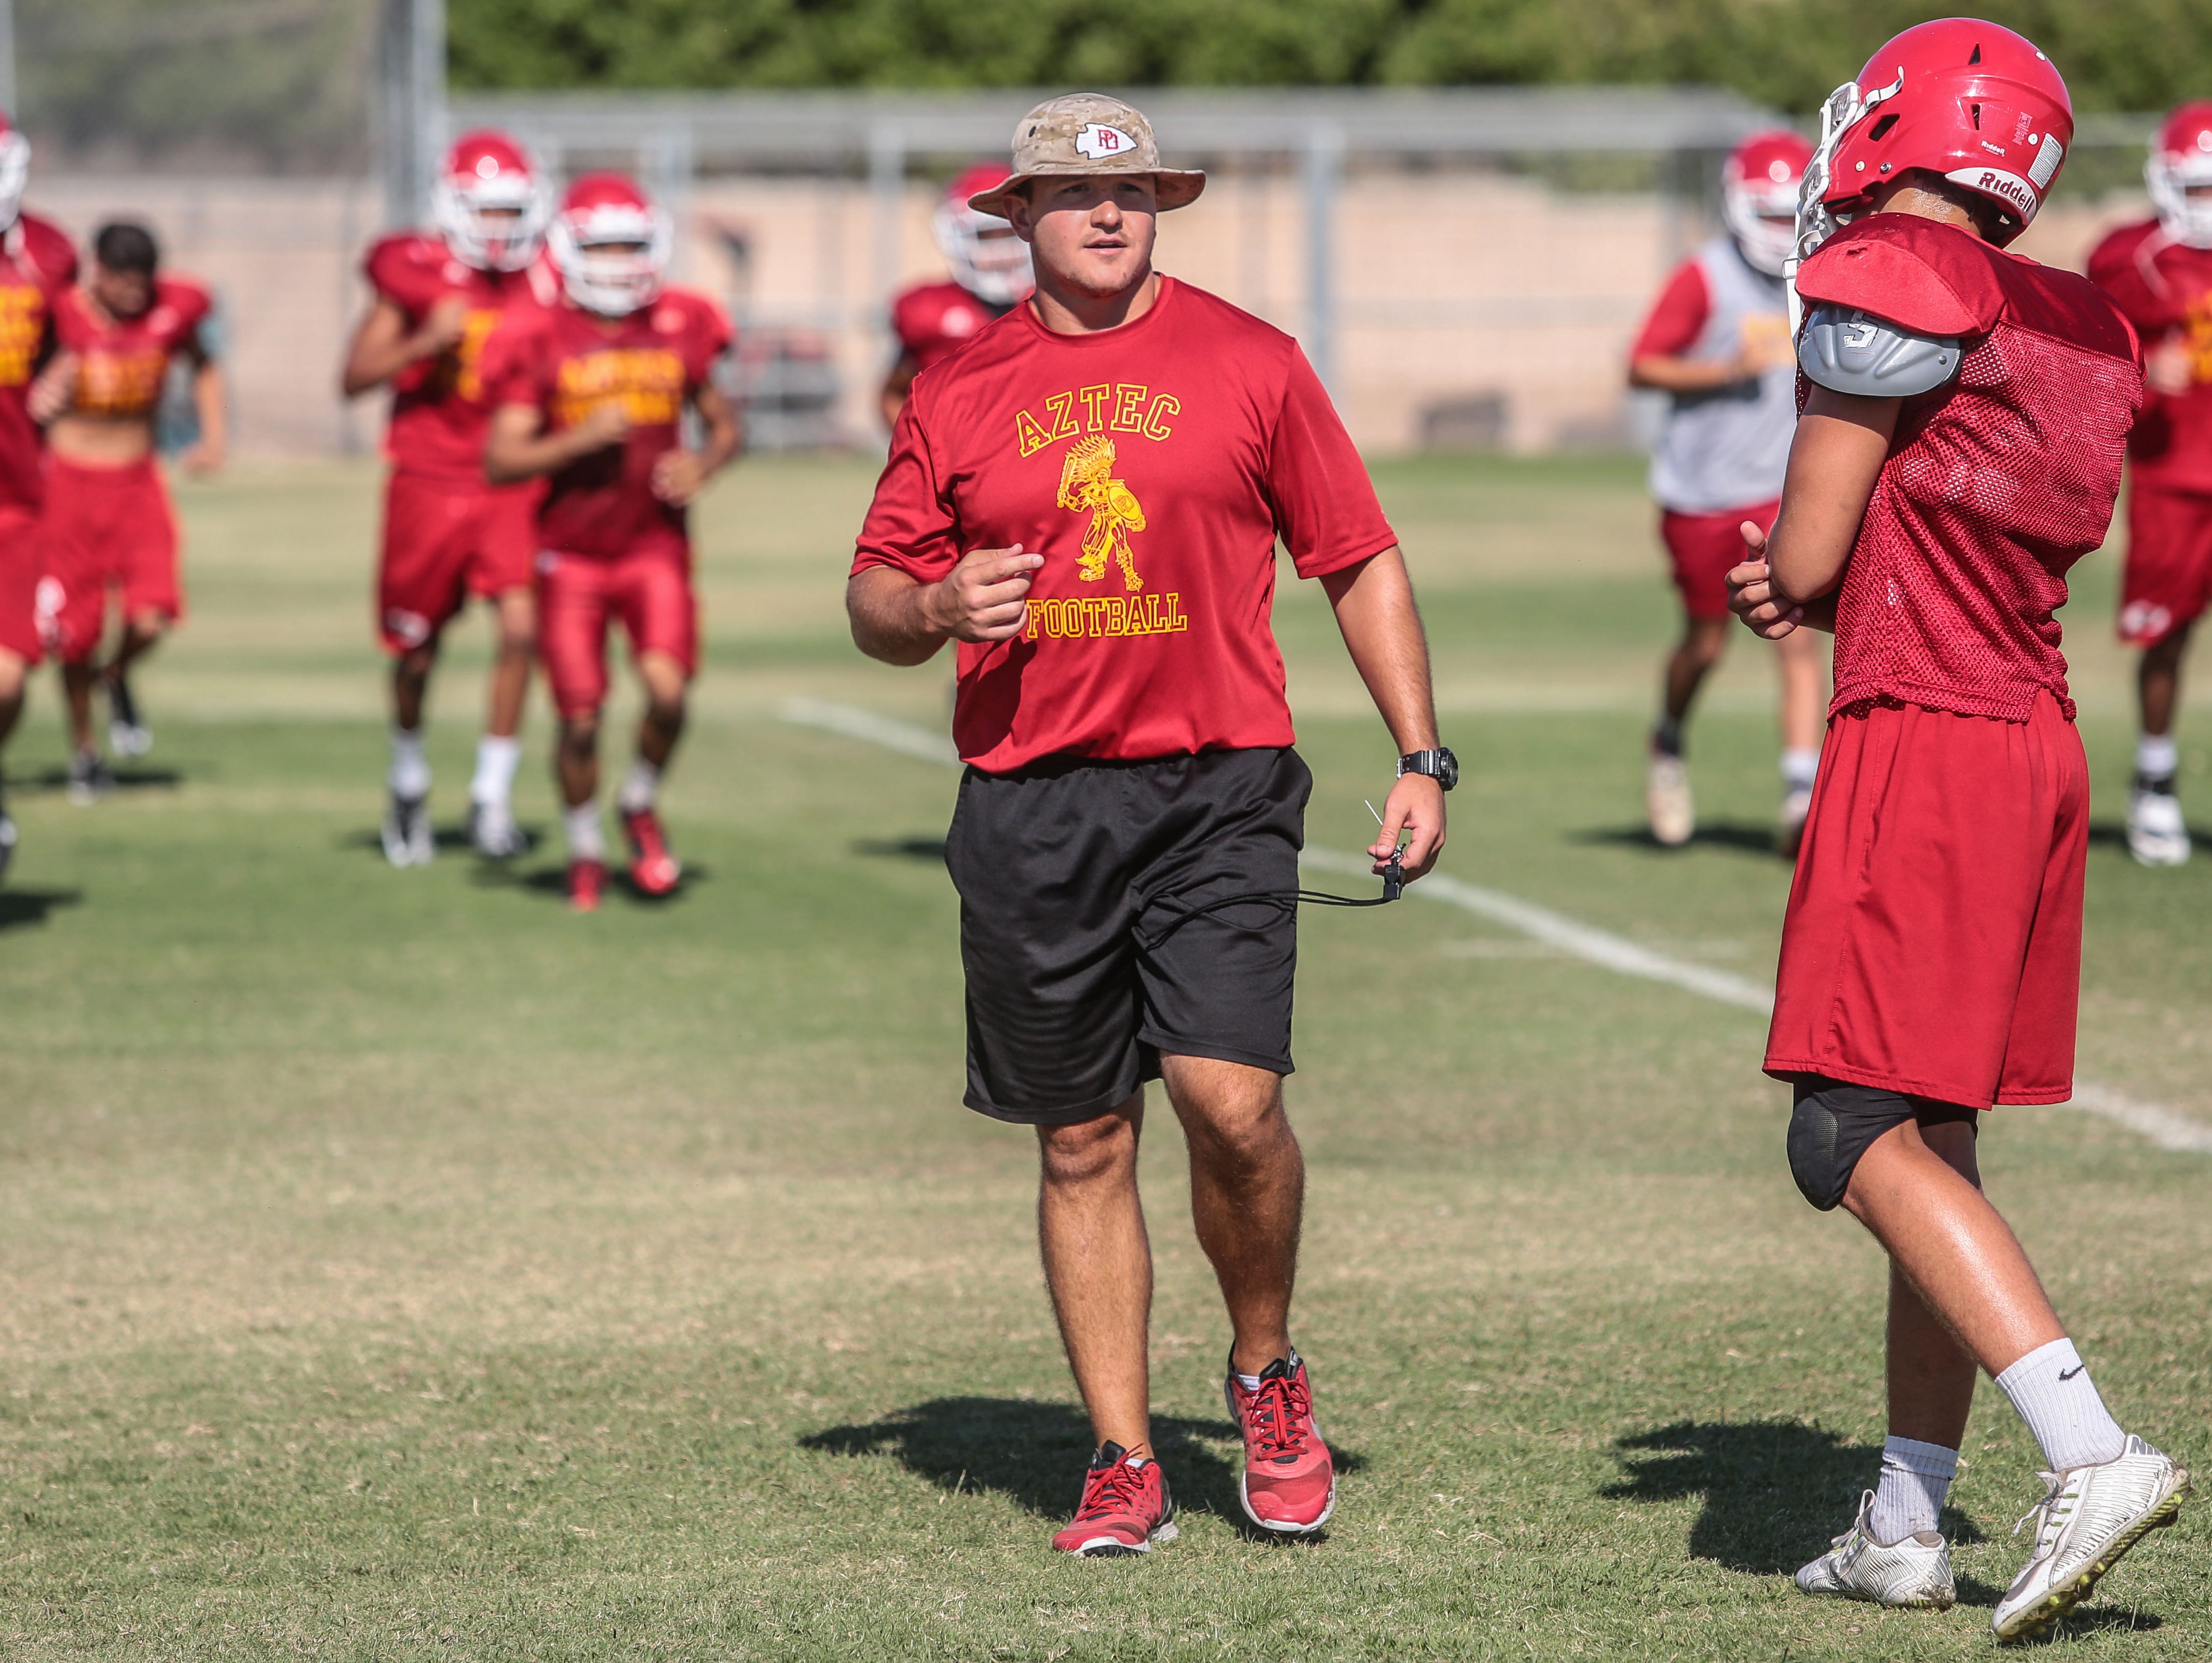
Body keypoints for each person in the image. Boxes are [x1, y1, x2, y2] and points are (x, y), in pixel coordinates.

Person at [847, 93, 1454, 1558]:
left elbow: (1356, 555)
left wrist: (1419, 754)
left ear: (1159, 207)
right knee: (1079, 1139)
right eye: (1070, 193)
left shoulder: (1252, 361)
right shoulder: (955, 387)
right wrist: (933, 604)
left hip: (1215, 788)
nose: (1106, 213)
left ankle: (1264, 1368)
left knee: (1229, 1104)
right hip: (1030, 802)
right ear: (1019, 217)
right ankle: (1122, 1456)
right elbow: (871, 598)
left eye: (1129, 192)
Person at [1726, 21, 2189, 1640]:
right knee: (1930, 1130)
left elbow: (1807, 550)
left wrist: (1787, 573)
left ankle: (2089, 1451)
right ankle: (1904, 1519)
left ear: (1903, 124)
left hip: (1921, 729)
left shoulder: (1887, 270)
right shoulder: (2078, 306)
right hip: (2030, 731)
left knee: (1844, 1134)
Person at [482, 174, 740, 913]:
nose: (618, 261)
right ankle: (585, 846)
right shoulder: (538, 333)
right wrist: (575, 441)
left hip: (653, 547)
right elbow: (501, 459)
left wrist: (704, 463)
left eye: (630, 246)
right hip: (570, 555)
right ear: (569, 250)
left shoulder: (679, 321)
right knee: (580, 720)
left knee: (668, 696)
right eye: (603, 247)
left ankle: (639, 800)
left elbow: (724, 423)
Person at [342, 130, 559, 865]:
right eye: (485, 209)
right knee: (415, 651)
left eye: (510, 210)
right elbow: (353, 378)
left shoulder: (549, 276)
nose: (498, 225)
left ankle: (492, 794)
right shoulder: (415, 272)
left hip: (513, 482)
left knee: (522, 632)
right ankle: (407, 775)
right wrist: (422, 344)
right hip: (428, 479)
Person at [1629, 130, 1824, 853]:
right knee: (1705, 646)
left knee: (1795, 638)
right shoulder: (1704, 276)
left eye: (1789, 213)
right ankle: (1668, 739)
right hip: (1701, 495)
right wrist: (1725, 370)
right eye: (1768, 212)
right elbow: (1642, 365)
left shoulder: (1823, 272)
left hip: (1782, 491)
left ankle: (1801, 796)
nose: (1780, 228)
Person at [31, 221, 220, 805]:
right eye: (123, 282)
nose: (135, 295)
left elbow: (204, 363)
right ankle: (85, 751)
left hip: (138, 483)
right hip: (69, 487)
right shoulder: (60, 312)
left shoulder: (173, 311)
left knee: (152, 617)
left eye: (143, 283)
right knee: (74, 635)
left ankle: (115, 675)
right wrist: (41, 390)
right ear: (99, 272)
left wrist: (213, 437)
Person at [2086, 103, 2212, 866]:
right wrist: (2140, 370)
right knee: (2165, 636)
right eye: (2198, 188)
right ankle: (2154, 780)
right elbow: (2082, 357)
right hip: (2173, 480)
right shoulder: (2129, 257)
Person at [0, 111, 74, 881]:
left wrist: (63, 375)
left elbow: (72, 345)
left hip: (13, 500)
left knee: (10, 676)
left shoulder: (48, 253)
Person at [878, 162, 1034, 428]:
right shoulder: (929, 311)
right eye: (986, 237)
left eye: (1010, 233)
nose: (1001, 251)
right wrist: (919, 448)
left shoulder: (1058, 305)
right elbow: (895, 394)